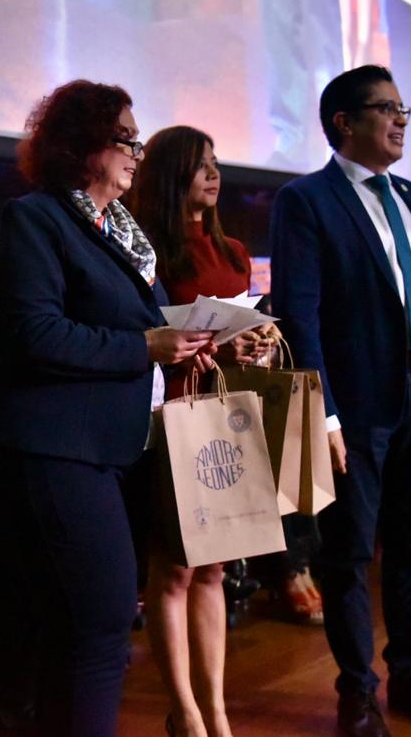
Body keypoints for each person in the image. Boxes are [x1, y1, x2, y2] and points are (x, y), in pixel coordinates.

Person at [0, 80, 215, 737]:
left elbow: (141, 328)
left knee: (71, 629)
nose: (138, 151)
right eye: (124, 139)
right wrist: (146, 345)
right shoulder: (38, 218)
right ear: (81, 146)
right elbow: (33, 333)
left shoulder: (124, 234)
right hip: (58, 449)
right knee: (104, 624)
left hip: (112, 450)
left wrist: (188, 344)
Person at [270, 65, 411, 737]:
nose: (401, 120)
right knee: (349, 550)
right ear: (344, 122)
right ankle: (358, 690)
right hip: (356, 406)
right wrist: (323, 411)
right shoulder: (307, 200)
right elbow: (300, 316)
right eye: (386, 109)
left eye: (403, 109)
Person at [128, 124, 284, 737]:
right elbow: (153, 340)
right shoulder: (148, 253)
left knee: (216, 567)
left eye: (217, 163)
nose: (215, 174)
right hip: (172, 417)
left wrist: (260, 346)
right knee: (173, 570)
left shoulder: (235, 251)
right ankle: (184, 712)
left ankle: (216, 709)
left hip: (226, 415)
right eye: (201, 165)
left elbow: (240, 340)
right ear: (172, 175)